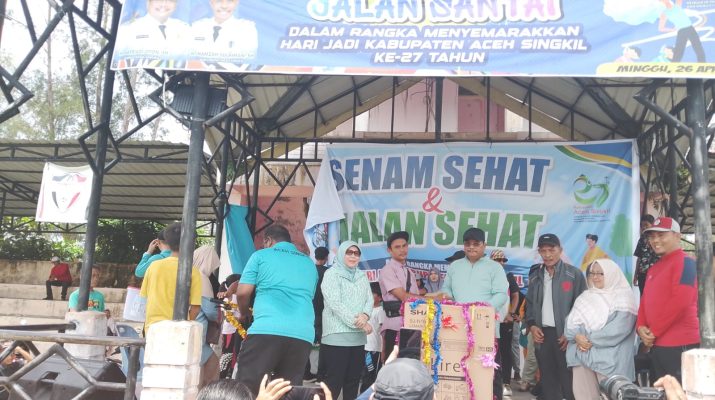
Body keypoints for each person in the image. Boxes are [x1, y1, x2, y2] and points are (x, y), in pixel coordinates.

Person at [235, 224, 318, 396]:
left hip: (266, 329)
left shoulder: (260, 256)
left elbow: (242, 292)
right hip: (302, 333)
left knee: (248, 389)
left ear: (268, 240)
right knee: (287, 391)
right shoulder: (309, 263)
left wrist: (244, 313)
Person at [441, 228, 509, 400]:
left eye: (476, 244)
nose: (471, 247)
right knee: (460, 368)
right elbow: (446, 290)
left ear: (484, 245)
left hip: (485, 328)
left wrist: (480, 311)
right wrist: (451, 302)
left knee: (490, 372)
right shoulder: (455, 266)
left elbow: (501, 294)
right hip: (458, 327)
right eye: (467, 244)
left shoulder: (495, 267)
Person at [637, 217, 699, 383]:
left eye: (661, 235)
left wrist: (654, 332)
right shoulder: (653, 268)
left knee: (680, 392)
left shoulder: (687, 263)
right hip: (658, 345)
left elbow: (681, 301)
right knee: (661, 392)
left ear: (678, 236)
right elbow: (645, 299)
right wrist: (640, 326)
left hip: (681, 344)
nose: (655, 240)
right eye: (652, 236)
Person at [525, 233, 587, 400]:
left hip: (566, 337)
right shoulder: (535, 276)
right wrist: (532, 326)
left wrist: (571, 333)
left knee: (569, 383)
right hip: (543, 336)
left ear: (560, 250)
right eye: (543, 251)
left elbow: (583, 308)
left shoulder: (574, 274)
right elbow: (529, 305)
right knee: (548, 381)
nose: (547, 255)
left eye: (551, 250)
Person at [565, 259, 638, 400]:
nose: (595, 277)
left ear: (611, 274)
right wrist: (577, 336)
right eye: (592, 273)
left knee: (612, 396)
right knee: (583, 396)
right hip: (581, 356)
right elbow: (570, 323)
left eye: (600, 273)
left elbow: (618, 330)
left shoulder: (623, 299)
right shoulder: (585, 296)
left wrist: (587, 340)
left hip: (610, 360)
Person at [320, 241, 373, 400]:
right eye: (349, 252)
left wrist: (365, 315)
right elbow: (335, 304)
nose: (353, 256)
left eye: (356, 253)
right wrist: (359, 322)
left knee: (353, 382)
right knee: (333, 383)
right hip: (337, 337)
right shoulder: (331, 274)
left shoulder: (362, 275)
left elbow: (369, 299)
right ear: (341, 253)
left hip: (358, 339)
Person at [140, 222, 203, 333]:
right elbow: (195, 308)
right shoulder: (193, 271)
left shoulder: (153, 266)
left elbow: (144, 298)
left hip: (153, 328)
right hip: (179, 331)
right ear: (191, 244)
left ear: (167, 242)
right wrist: (186, 324)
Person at [378, 231, 421, 362]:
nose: (402, 250)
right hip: (394, 327)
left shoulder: (409, 272)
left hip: (412, 326)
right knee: (393, 367)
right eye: (397, 247)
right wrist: (434, 300)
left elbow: (416, 300)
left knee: (410, 366)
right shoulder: (387, 270)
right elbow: (404, 297)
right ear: (389, 250)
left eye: (404, 245)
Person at [115, 0, 189, 68]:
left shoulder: (184, 28)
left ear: (175, 5)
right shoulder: (129, 30)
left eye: (170, 1)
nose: (163, 4)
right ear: (148, 3)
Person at [491, 249, 521, 397]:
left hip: (504, 321)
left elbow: (516, 296)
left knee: (505, 352)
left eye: (503, 260)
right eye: (497, 260)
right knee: (489, 352)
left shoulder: (508, 276)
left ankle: (506, 383)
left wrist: (511, 313)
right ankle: (490, 382)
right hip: (488, 321)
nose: (501, 262)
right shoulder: (486, 276)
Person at [193, 245, 222, 389]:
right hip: (197, 334)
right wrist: (220, 315)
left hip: (192, 332)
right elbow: (210, 310)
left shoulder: (189, 273)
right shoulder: (202, 278)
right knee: (208, 371)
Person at [191, 0, 258, 59]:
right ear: (211, 3)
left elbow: (248, 57)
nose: (224, 6)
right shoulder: (197, 27)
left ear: (236, 3)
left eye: (230, 1)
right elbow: (189, 54)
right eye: (218, 1)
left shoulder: (247, 29)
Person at [308, 246, 330, 382]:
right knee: (323, 345)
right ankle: (320, 376)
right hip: (322, 313)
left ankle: (306, 373)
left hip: (308, 312)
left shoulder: (308, 270)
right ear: (326, 257)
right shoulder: (328, 272)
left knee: (306, 342)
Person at [360, 282, 383, 393]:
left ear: (380, 297)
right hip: (363, 346)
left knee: (370, 374)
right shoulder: (364, 310)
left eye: (372, 293)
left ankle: (367, 395)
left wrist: (383, 350)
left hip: (373, 349)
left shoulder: (381, 311)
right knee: (364, 373)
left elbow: (383, 331)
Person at [634, 215, 658, 295]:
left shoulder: (658, 239)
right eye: (642, 225)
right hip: (642, 274)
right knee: (643, 296)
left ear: (652, 224)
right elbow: (639, 258)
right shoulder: (641, 240)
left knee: (655, 295)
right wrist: (635, 275)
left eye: (646, 225)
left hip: (656, 274)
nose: (644, 227)